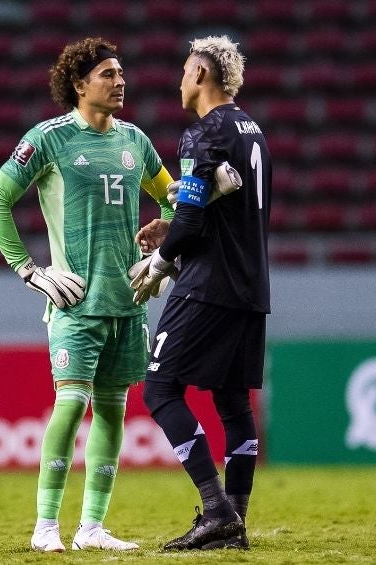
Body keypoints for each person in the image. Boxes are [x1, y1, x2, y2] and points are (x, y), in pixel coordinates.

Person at [0, 37, 176, 552]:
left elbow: (175, 198)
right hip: (75, 302)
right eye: (108, 74)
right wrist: (29, 269)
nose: (120, 81)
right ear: (78, 84)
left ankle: (91, 527)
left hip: (129, 302)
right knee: (70, 405)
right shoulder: (49, 139)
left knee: (113, 412)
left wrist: (164, 245)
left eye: (121, 73)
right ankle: (46, 526)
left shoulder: (136, 141)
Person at [131, 35, 272, 551]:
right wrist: (173, 230)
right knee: (234, 404)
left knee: (159, 389)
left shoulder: (203, 135)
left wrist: (159, 263)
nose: (179, 81)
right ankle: (236, 524)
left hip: (208, 285)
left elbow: (191, 217)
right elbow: (221, 212)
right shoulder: (254, 133)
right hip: (251, 285)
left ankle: (216, 510)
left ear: (200, 75)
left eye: (185, 71)